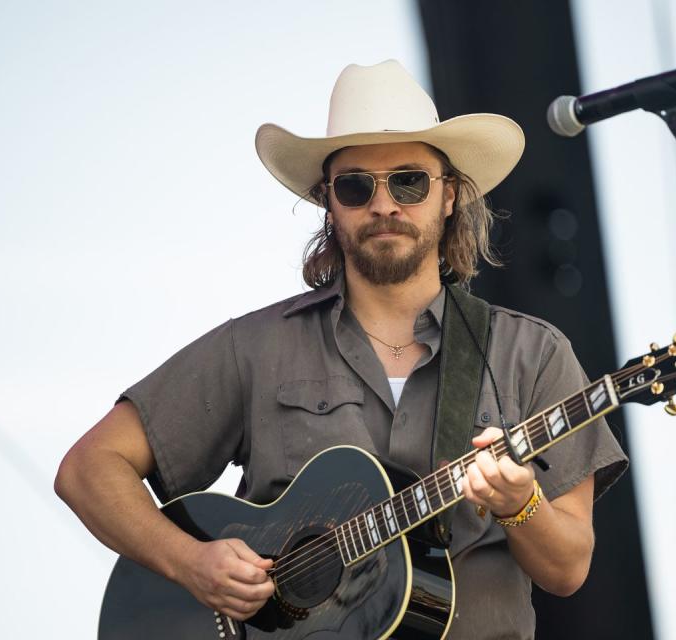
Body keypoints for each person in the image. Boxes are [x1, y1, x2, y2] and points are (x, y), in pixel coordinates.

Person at [55, 59, 627, 639]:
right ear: (330, 202)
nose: (384, 205)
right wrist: (191, 562)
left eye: (409, 180)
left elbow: (568, 569)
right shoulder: (256, 347)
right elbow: (88, 469)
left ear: (449, 195)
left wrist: (520, 502)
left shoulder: (531, 354)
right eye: (356, 186)